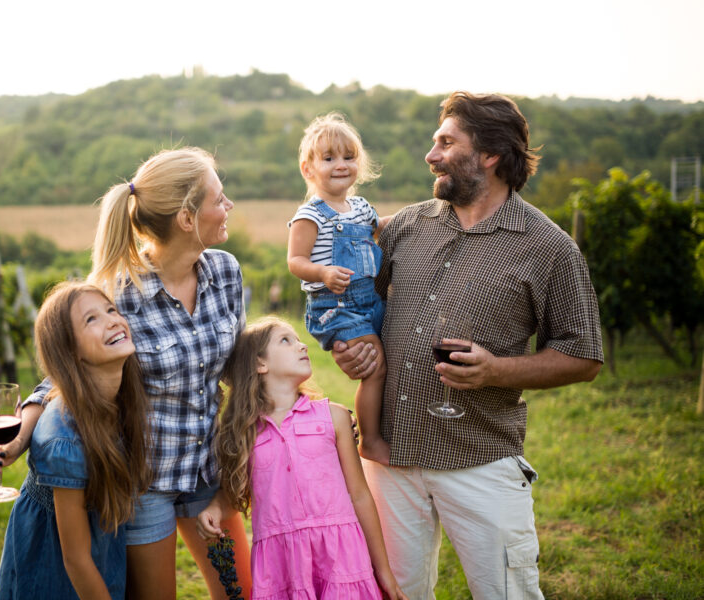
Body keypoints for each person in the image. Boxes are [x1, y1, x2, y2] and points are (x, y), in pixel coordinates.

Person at [333, 91, 604, 599]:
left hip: (480, 458)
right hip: (390, 457)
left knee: (506, 593)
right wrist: (353, 347)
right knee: (395, 593)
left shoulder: (549, 247)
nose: (431, 155)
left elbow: (583, 356)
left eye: (445, 142)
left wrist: (494, 371)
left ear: (490, 155)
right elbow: (358, 309)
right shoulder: (406, 226)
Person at [0, 147, 252, 599]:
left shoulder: (226, 272)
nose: (229, 207)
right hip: (145, 481)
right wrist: (21, 431)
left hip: (207, 469)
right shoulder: (117, 293)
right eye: (219, 199)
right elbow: (67, 374)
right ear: (187, 217)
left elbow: (238, 368)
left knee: (240, 591)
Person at [196, 317, 407, 600]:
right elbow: (234, 494)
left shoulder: (334, 417)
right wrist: (214, 510)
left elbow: (359, 496)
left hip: (340, 559)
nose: (302, 346)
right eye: (286, 340)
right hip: (281, 566)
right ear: (260, 364)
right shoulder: (246, 433)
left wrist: (383, 571)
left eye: (298, 339)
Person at [0, 281, 150, 599]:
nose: (111, 320)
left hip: (96, 557)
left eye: (110, 310)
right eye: (91, 319)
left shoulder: (117, 399)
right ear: (72, 353)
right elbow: (76, 561)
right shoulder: (64, 441)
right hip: (54, 573)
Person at [287, 112, 391, 465]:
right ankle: (370, 440)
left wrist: (418, 216)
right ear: (308, 169)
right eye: (329, 158)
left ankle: (391, 426)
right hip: (335, 306)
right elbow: (295, 261)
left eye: (348, 157)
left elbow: (381, 230)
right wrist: (322, 272)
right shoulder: (310, 215)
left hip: (371, 300)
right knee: (375, 366)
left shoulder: (360, 208)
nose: (341, 165)